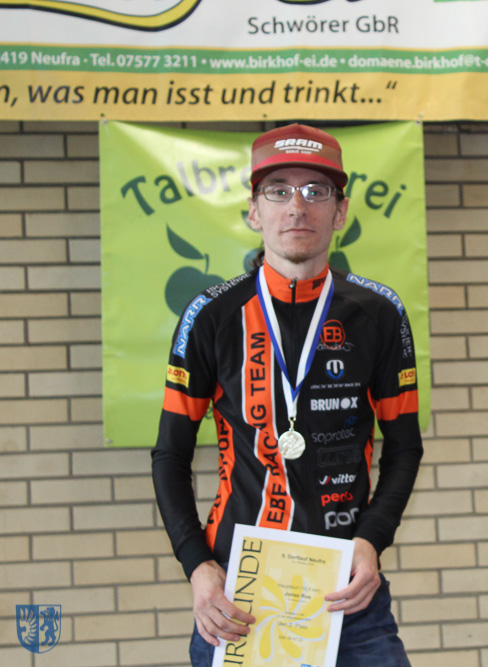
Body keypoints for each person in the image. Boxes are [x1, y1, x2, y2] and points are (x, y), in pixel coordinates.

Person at [151, 123, 423, 667]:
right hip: (239, 591)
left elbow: (404, 447)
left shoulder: (379, 313)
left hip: (349, 589)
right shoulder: (211, 316)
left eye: (316, 191)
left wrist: (371, 540)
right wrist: (198, 567)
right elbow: (170, 454)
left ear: (340, 212)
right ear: (254, 211)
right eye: (278, 191)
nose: (297, 206)